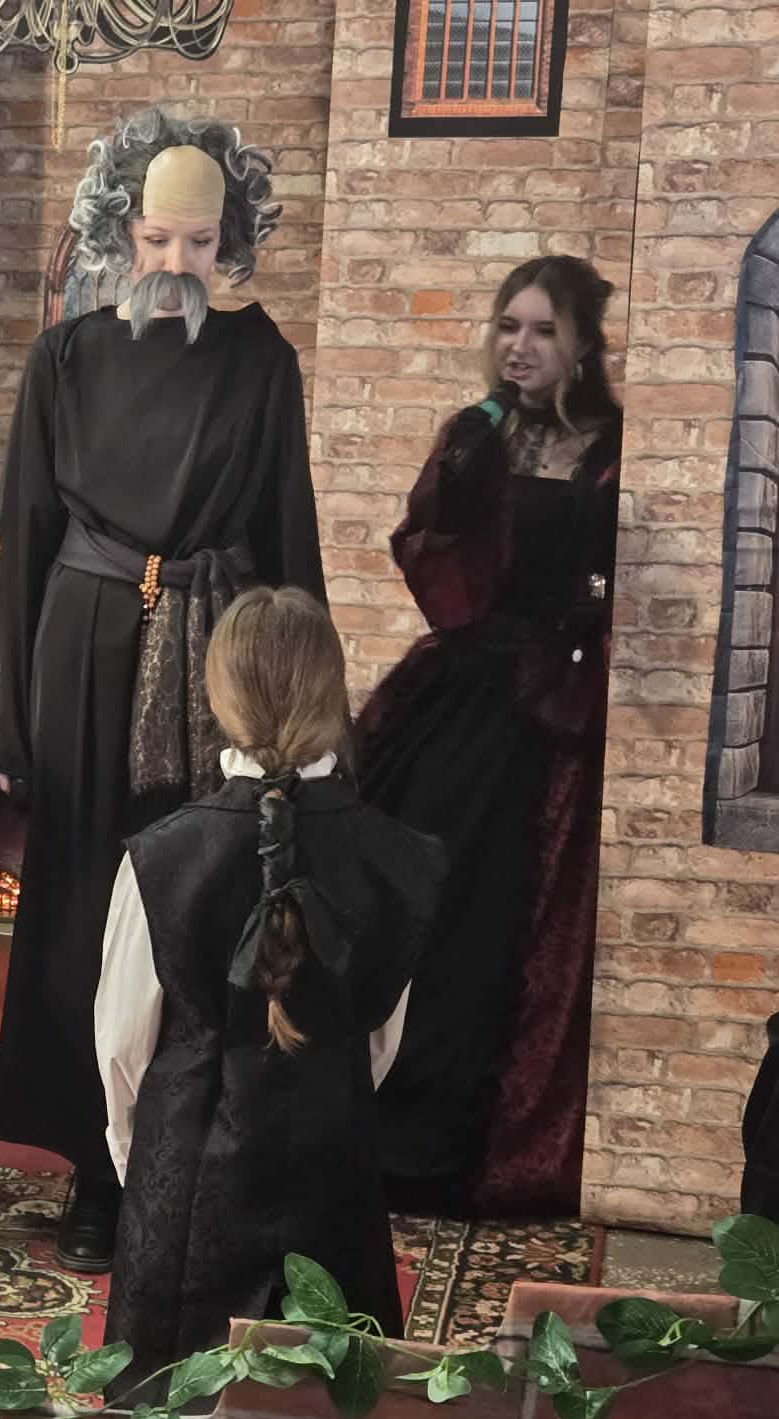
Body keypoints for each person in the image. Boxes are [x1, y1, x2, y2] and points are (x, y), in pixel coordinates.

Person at [0, 107, 326, 1274]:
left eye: (199, 242)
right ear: (118, 229)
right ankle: (93, 1168)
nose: (175, 262)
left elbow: (289, 541)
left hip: (216, 649)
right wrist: (8, 718)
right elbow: (24, 540)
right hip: (82, 650)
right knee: (84, 908)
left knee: (202, 909)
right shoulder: (63, 360)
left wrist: (302, 718)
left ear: (231, 240)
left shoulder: (261, 362)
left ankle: (188, 1168)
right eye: (156, 238)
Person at [95, 587, 445, 1388]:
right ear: (332, 691)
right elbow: (381, 1041)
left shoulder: (160, 856)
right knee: (332, 1405)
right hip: (334, 1167)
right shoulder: (399, 858)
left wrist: (140, 1164)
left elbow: (121, 1047)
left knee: (170, 1411)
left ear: (218, 695)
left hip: (186, 1177)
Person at [357, 256, 622, 1218]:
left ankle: (460, 1153)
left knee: (497, 924)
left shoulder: (613, 447)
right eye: (510, 326)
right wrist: (458, 479)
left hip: (554, 710)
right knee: (415, 900)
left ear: (582, 345)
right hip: (462, 691)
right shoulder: (478, 432)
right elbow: (425, 551)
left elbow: (614, 580)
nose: (521, 346)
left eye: (544, 330)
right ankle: (379, 1135)